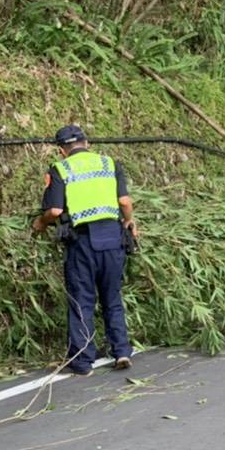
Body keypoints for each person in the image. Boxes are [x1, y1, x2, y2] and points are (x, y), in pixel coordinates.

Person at [31, 124, 137, 374]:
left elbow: (55, 211)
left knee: (82, 300)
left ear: (61, 150)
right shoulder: (108, 164)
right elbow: (124, 201)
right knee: (112, 297)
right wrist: (128, 221)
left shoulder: (60, 169)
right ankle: (121, 351)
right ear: (86, 143)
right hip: (113, 240)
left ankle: (82, 360)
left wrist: (40, 223)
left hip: (83, 243)